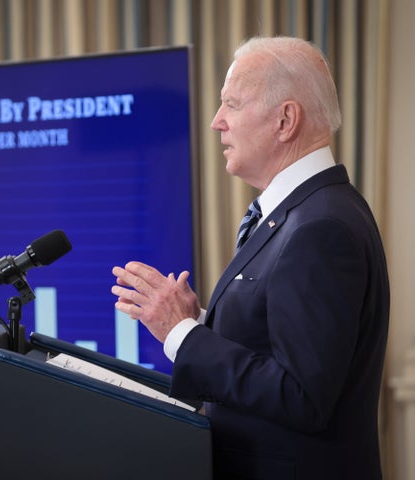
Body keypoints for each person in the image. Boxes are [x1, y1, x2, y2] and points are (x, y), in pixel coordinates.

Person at [111, 36, 389, 480]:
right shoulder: (303, 212)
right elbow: (275, 345)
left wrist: (181, 334)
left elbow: (302, 396)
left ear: (285, 120)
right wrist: (198, 321)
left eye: (232, 104)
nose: (216, 122)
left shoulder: (321, 226)